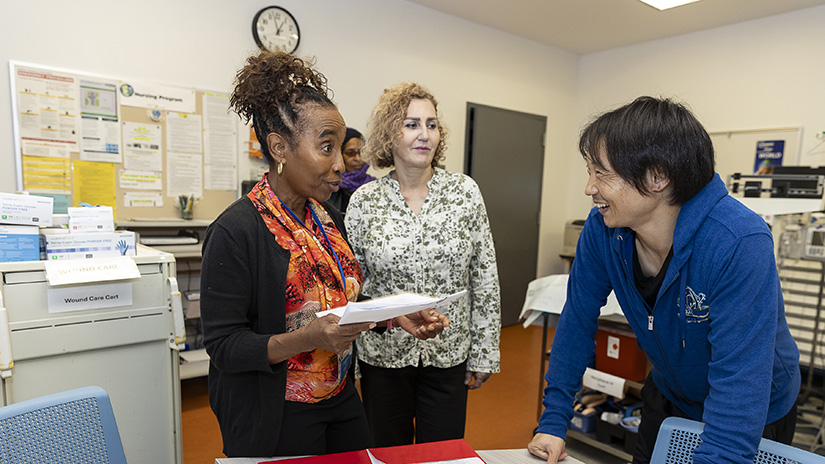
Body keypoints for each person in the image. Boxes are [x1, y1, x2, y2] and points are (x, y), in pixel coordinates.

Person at [200, 52, 450, 458]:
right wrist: (307, 338)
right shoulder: (235, 232)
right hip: (275, 411)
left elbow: (339, 301)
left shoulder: (328, 219)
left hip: (339, 396)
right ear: (280, 148)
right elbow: (226, 346)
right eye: (326, 148)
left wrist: (393, 315)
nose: (340, 165)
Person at [528, 96, 800, 464]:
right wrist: (554, 420)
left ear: (657, 177)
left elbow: (739, 386)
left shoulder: (737, 242)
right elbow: (577, 320)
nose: (590, 187)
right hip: (671, 393)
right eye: (589, 171)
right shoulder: (602, 231)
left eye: (602, 173)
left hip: (754, 409)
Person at [345, 82, 502, 447]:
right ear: (389, 133)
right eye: (411, 124)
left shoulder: (464, 192)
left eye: (431, 125)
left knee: (443, 454)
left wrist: (484, 352)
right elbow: (353, 285)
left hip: (449, 352)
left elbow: (485, 278)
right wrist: (349, 360)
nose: (424, 135)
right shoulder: (365, 201)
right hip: (382, 357)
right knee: (386, 451)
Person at [327, 127, 375, 214]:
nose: (358, 158)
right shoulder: (328, 188)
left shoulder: (374, 187)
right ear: (339, 155)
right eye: (350, 153)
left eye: (361, 153)